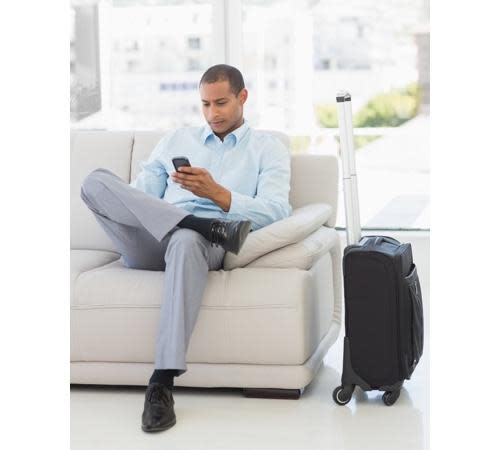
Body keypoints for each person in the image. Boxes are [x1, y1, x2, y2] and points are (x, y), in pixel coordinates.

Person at [80, 64, 292, 433]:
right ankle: (194, 222)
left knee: (185, 239)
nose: (213, 113)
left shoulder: (268, 149)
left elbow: (276, 210)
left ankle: (161, 382)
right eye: (206, 104)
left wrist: (218, 195)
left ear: (243, 97)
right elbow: (137, 196)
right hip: (149, 238)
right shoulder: (177, 140)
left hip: (200, 245)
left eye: (222, 103)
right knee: (94, 182)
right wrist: (160, 210)